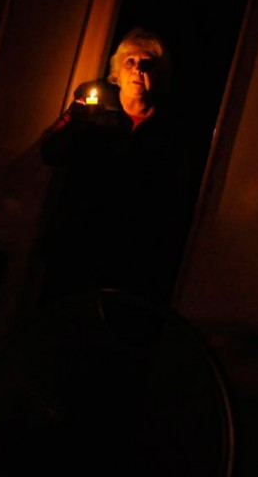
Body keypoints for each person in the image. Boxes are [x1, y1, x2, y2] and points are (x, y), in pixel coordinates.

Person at [38, 27, 196, 306]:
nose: (137, 70)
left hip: (132, 253)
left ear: (160, 74)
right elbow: (50, 152)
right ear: (118, 72)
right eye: (130, 62)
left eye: (147, 64)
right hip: (78, 240)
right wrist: (77, 122)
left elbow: (177, 194)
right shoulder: (93, 106)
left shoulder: (171, 130)